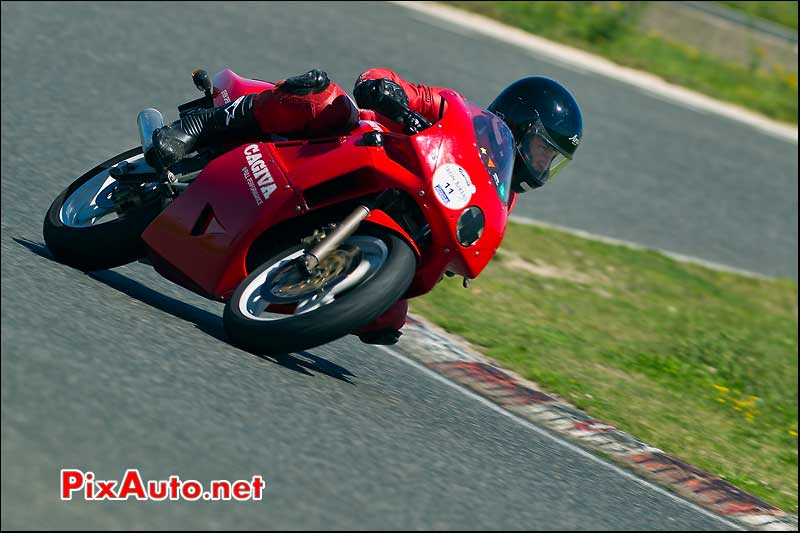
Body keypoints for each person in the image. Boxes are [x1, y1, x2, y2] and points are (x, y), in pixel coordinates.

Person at [146, 68, 583, 345]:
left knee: (390, 317)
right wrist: (392, 95)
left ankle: (303, 270)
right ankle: (202, 123)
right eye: (543, 149)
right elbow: (384, 80)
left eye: (553, 160)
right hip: (345, 147)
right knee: (322, 96)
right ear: (522, 125)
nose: (544, 165)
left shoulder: (501, 197)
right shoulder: (457, 113)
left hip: (391, 216)